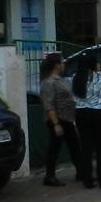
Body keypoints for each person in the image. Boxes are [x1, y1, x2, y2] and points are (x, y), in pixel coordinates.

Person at [38, 52, 82, 187]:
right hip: (58, 119)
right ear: (56, 65)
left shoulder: (61, 80)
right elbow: (48, 105)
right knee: (55, 147)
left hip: (67, 118)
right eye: (62, 63)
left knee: (74, 145)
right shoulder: (48, 82)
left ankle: (81, 171)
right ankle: (50, 176)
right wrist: (56, 123)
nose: (64, 65)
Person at [72, 60, 101, 189]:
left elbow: (74, 96)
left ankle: (87, 180)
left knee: (86, 147)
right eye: (97, 62)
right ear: (93, 65)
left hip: (82, 113)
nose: (99, 64)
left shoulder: (76, 77)